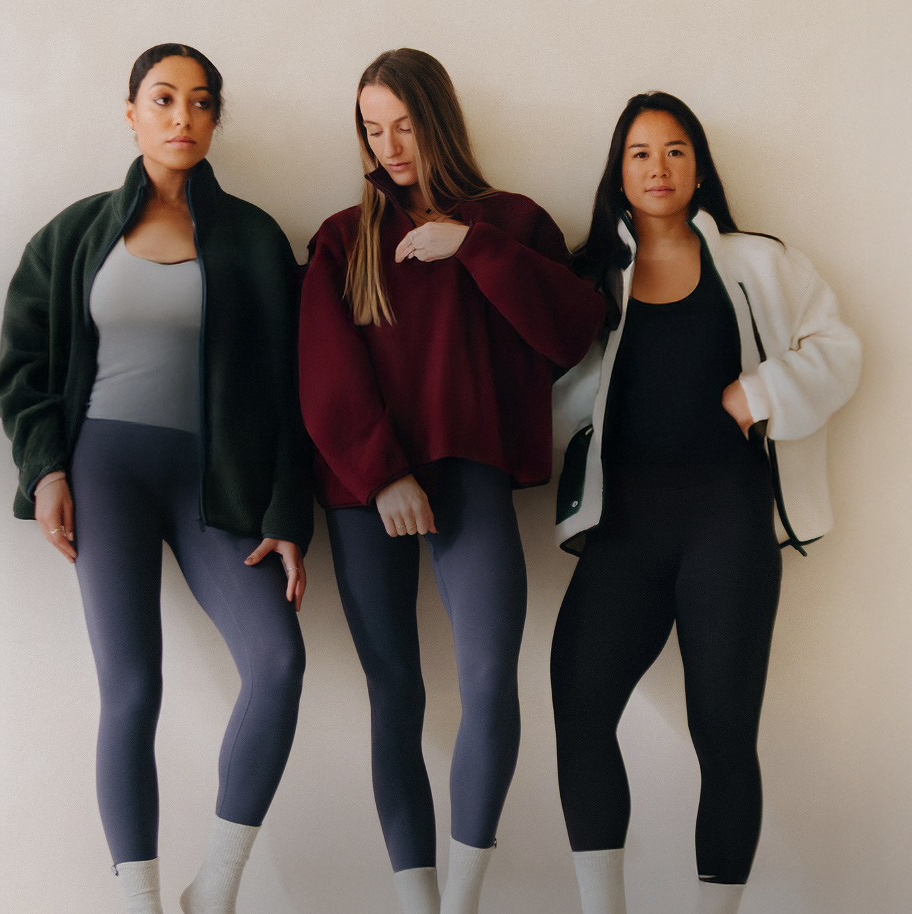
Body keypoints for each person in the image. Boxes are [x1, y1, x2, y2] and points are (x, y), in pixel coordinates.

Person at [0, 43, 314, 914]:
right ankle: (138, 900)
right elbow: (21, 365)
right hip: (107, 472)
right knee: (133, 687)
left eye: (200, 102)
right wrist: (46, 466)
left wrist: (288, 512)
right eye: (163, 99)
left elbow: (294, 389)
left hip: (219, 484)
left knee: (278, 663)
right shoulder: (74, 234)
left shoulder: (252, 238)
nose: (182, 118)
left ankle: (217, 889)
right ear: (129, 112)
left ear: (214, 120)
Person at [297, 48, 607, 914]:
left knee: (488, 681)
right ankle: (418, 902)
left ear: (438, 121)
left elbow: (573, 331)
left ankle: (463, 900)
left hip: (471, 477)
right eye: (371, 128)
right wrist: (383, 473)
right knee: (395, 690)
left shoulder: (512, 223)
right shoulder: (343, 238)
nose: (389, 146)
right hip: (368, 490)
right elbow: (322, 373)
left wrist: (475, 248)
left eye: (403, 124)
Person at [546, 92, 862, 914]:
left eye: (676, 150)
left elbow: (837, 348)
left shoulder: (756, 263)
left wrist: (759, 391)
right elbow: (546, 390)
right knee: (578, 710)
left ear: (699, 167)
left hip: (726, 523)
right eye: (641, 153)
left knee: (722, 735)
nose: (659, 168)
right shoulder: (589, 282)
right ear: (618, 170)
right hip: (625, 531)